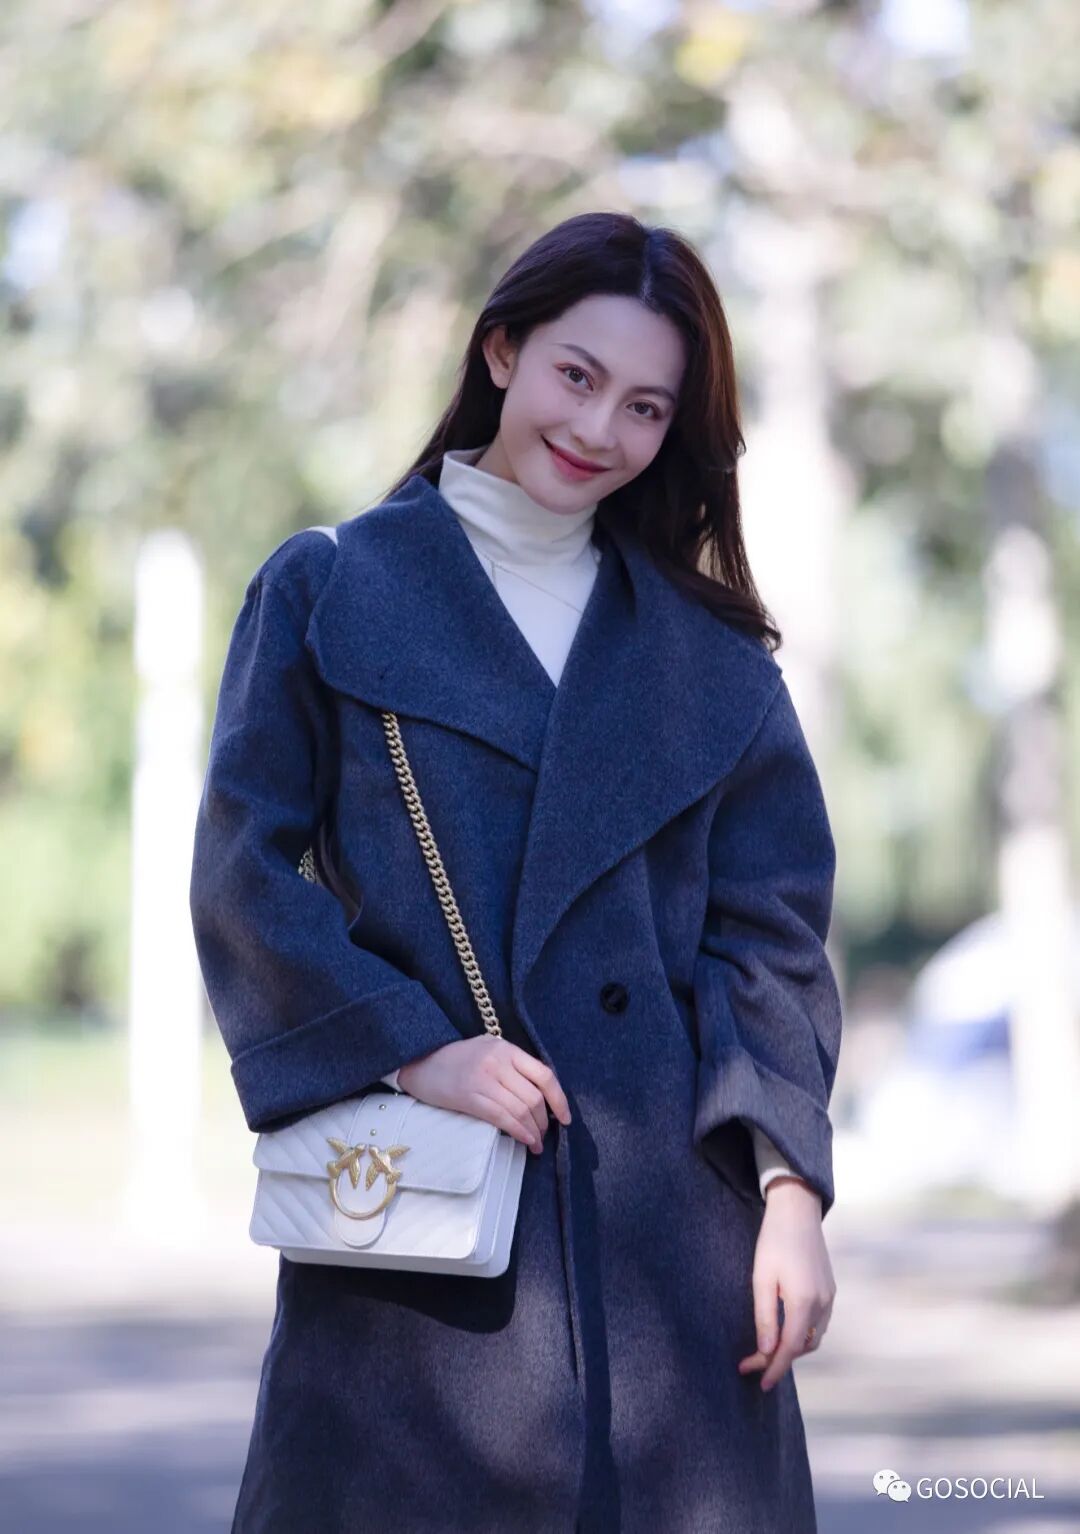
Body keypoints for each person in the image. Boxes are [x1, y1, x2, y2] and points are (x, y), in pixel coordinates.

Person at [189, 209, 842, 1534]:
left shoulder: (714, 661)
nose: (599, 429)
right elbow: (243, 872)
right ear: (502, 352)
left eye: (646, 406)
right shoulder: (332, 589)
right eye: (576, 375)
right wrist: (410, 1047)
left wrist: (788, 1191)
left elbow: (768, 935)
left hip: (676, 1251)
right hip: (426, 1244)